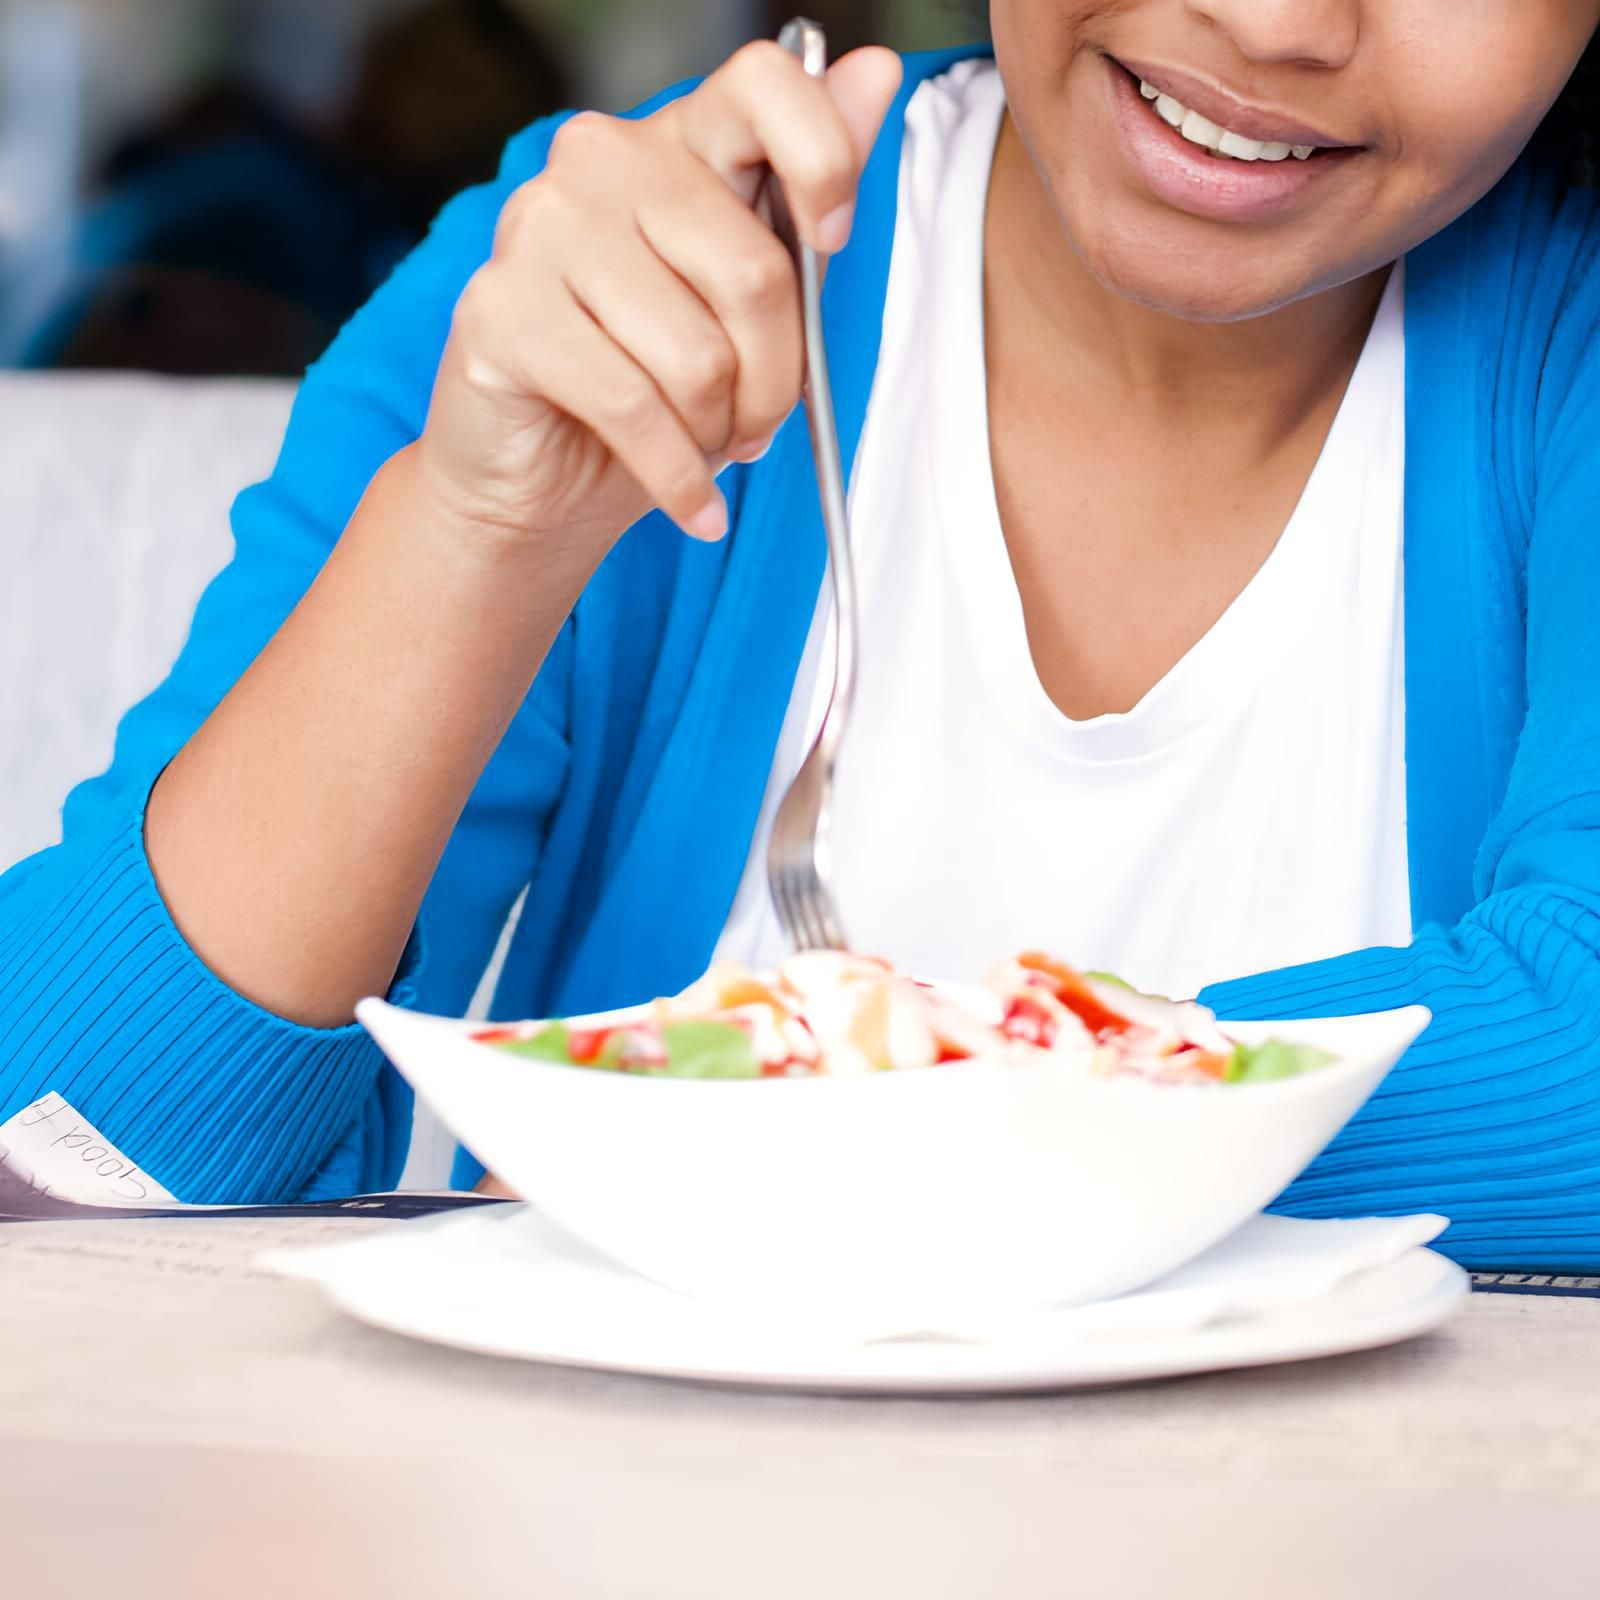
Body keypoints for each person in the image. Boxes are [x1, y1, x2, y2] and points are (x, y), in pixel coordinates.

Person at [3, 3, 1599, 1269]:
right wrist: (480, 531)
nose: (1271, 19)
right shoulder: (600, 272)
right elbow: (72, 1159)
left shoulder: (1560, 342)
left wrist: (831, 1100)